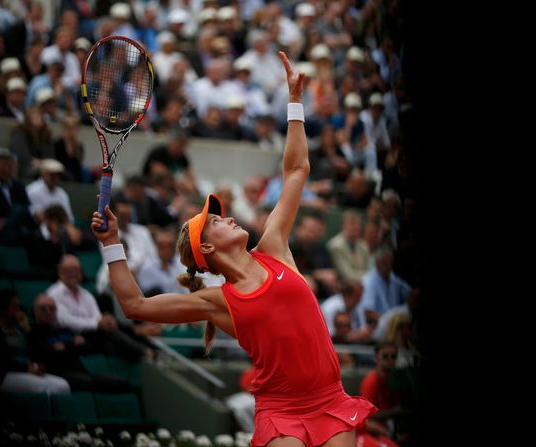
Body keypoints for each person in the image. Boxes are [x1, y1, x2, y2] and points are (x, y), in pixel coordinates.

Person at [91, 51, 377, 447]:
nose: (226, 218)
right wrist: (111, 244)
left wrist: (295, 103)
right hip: (281, 412)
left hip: (330, 399)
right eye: (216, 220)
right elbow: (135, 306)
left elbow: (296, 170)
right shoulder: (216, 301)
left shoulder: (273, 245)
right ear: (207, 246)